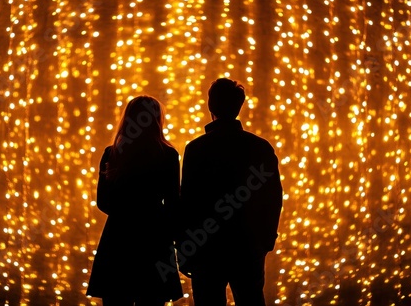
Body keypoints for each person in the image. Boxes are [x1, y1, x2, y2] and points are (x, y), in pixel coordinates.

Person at [178, 78, 283, 306]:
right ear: (239, 106)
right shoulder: (260, 147)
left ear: (210, 105)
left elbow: (187, 202)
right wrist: (265, 240)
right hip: (247, 246)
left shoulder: (196, 149)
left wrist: (186, 248)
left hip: (206, 248)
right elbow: (273, 198)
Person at [87, 96, 183, 306]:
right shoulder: (167, 154)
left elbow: (103, 202)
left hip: (118, 239)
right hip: (154, 240)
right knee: (152, 298)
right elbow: (174, 203)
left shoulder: (112, 153)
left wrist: (125, 211)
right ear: (157, 119)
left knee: (116, 298)